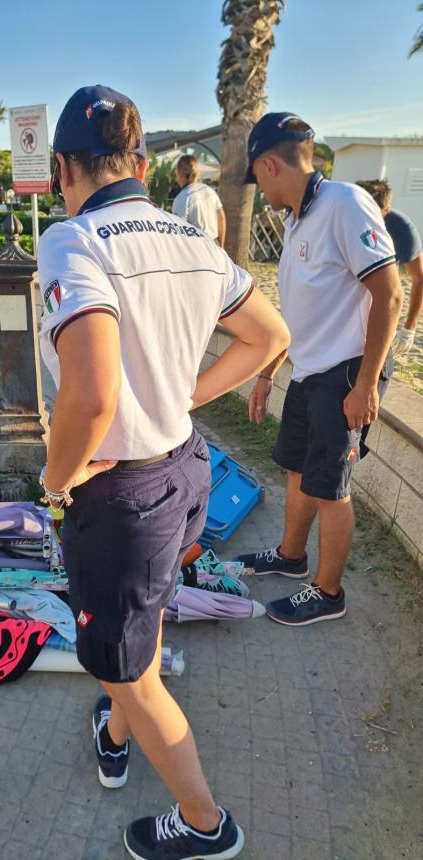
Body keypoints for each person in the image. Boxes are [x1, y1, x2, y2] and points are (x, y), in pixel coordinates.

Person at [38, 85, 289, 860]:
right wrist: (188, 393)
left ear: (59, 168)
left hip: (119, 492)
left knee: (136, 673)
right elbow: (267, 334)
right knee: (130, 644)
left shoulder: (73, 240)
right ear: (141, 163)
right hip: (184, 467)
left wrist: (54, 482)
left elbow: (88, 394)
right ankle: (116, 728)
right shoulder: (189, 238)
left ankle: (206, 825)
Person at [236, 113, 403, 626]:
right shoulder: (297, 218)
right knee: (297, 468)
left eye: (257, 178)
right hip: (310, 371)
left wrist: (367, 384)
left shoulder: (346, 204)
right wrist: (269, 372)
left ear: (270, 164)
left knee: (332, 486)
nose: (259, 189)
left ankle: (329, 592)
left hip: (348, 372)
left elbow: (390, 294)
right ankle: (291, 556)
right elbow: (303, 309)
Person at [356, 179, 422, 357]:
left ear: (386, 211)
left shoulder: (400, 228)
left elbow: (419, 277)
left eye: (372, 215)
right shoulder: (341, 217)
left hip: (376, 301)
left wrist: (410, 328)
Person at [172, 155, 226, 245]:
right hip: (214, 244)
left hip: (196, 246)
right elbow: (221, 218)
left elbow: (179, 231)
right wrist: (221, 246)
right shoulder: (210, 191)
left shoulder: (182, 198)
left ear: (181, 173)